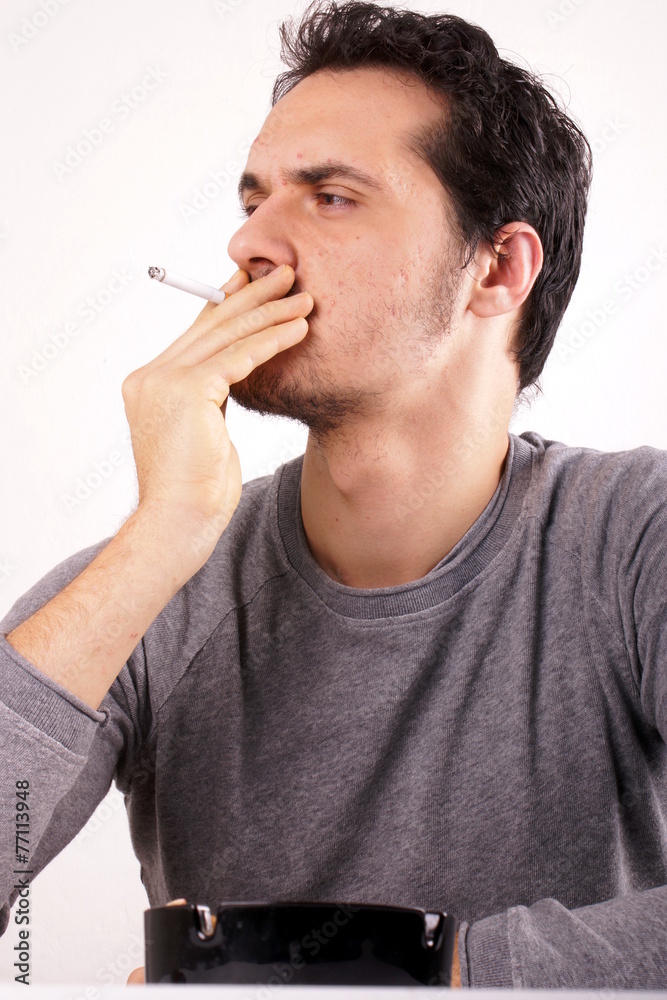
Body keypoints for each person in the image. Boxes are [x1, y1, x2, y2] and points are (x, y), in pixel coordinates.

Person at [1, 0, 666, 988]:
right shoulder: (153, 579)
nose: (248, 246)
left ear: (497, 268)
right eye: (252, 200)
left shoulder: (633, 536)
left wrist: (407, 969)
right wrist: (160, 534)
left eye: (329, 197)